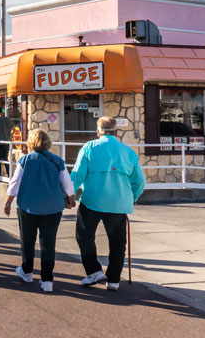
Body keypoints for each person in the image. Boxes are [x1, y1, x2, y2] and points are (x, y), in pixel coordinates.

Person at [71, 116, 145, 291]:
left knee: (84, 236)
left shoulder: (89, 147)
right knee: (118, 242)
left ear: (98, 131)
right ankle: (113, 280)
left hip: (92, 201)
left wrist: (69, 195)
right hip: (119, 203)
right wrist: (132, 197)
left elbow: (77, 175)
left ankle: (94, 271)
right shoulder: (128, 152)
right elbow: (139, 182)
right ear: (116, 132)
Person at [3, 129, 76, 293]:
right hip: (53, 208)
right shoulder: (57, 161)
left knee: (27, 241)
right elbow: (68, 183)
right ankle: (47, 280)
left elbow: (14, 183)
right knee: (48, 244)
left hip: (28, 207)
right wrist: (71, 201)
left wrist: (7, 203)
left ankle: (27, 272)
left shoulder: (25, 160)